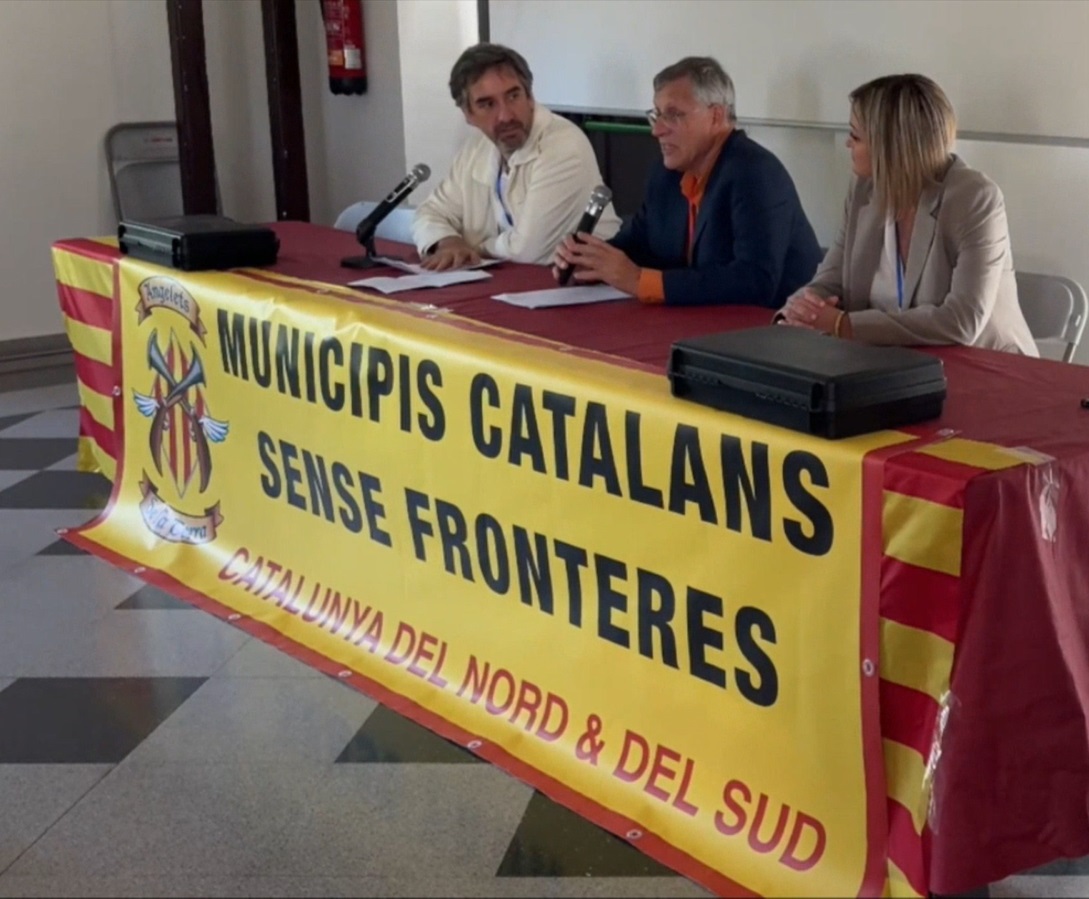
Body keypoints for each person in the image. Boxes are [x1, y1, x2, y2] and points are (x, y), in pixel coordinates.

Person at [778, 74, 1038, 355]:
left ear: (891, 146)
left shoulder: (974, 198)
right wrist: (795, 314)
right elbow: (830, 280)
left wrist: (844, 325)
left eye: (855, 136)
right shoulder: (865, 188)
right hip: (895, 362)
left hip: (985, 364)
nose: (847, 144)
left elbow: (962, 320)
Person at [552, 56, 822, 308]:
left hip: (775, 330)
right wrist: (591, 262)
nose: (657, 130)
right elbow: (639, 244)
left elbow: (755, 281)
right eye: (656, 115)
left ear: (715, 116)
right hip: (700, 326)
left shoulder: (754, 172)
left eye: (673, 115)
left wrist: (638, 280)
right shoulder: (666, 174)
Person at [413, 43, 621, 270]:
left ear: (530, 97)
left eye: (513, 96)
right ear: (468, 114)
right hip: (514, 281)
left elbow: (529, 250)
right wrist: (449, 242)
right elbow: (430, 212)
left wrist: (471, 248)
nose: (505, 116)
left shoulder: (564, 145)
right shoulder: (476, 148)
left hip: (587, 283)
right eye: (488, 104)